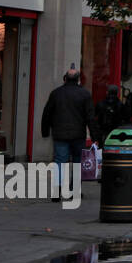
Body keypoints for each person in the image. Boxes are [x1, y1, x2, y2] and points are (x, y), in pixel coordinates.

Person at [41, 67, 96, 195]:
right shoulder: (84, 94)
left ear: (65, 78)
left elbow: (47, 113)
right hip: (78, 134)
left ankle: (57, 190)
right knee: (77, 162)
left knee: (60, 161)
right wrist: (94, 135)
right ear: (78, 80)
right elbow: (90, 117)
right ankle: (74, 190)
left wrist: (45, 131)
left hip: (60, 134)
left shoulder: (56, 93)